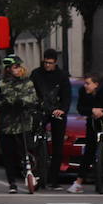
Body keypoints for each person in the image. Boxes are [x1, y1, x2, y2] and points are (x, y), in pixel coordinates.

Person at [0, 55, 40, 193]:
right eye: (15, 67)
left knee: (27, 151)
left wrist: (22, 101)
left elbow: (33, 98)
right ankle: (12, 183)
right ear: (8, 69)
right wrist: (5, 104)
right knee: (8, 155)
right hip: (7, 124)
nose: (18, 69)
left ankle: (32, 174)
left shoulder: (28, 83)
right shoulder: (2, 84)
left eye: (19, 66)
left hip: (24, 123)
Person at [28, 48, 69, 188]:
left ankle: (54, 180)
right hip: (40, 110)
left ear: (55, 62)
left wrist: (62, 110)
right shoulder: (36, 74)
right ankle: (36, 172)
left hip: (56, 110)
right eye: (45, 62)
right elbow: (30, 92)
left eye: (50, 63)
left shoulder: (62, 75)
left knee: (58, 145)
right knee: (34, 139)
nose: (47, 65)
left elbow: (66, 96)